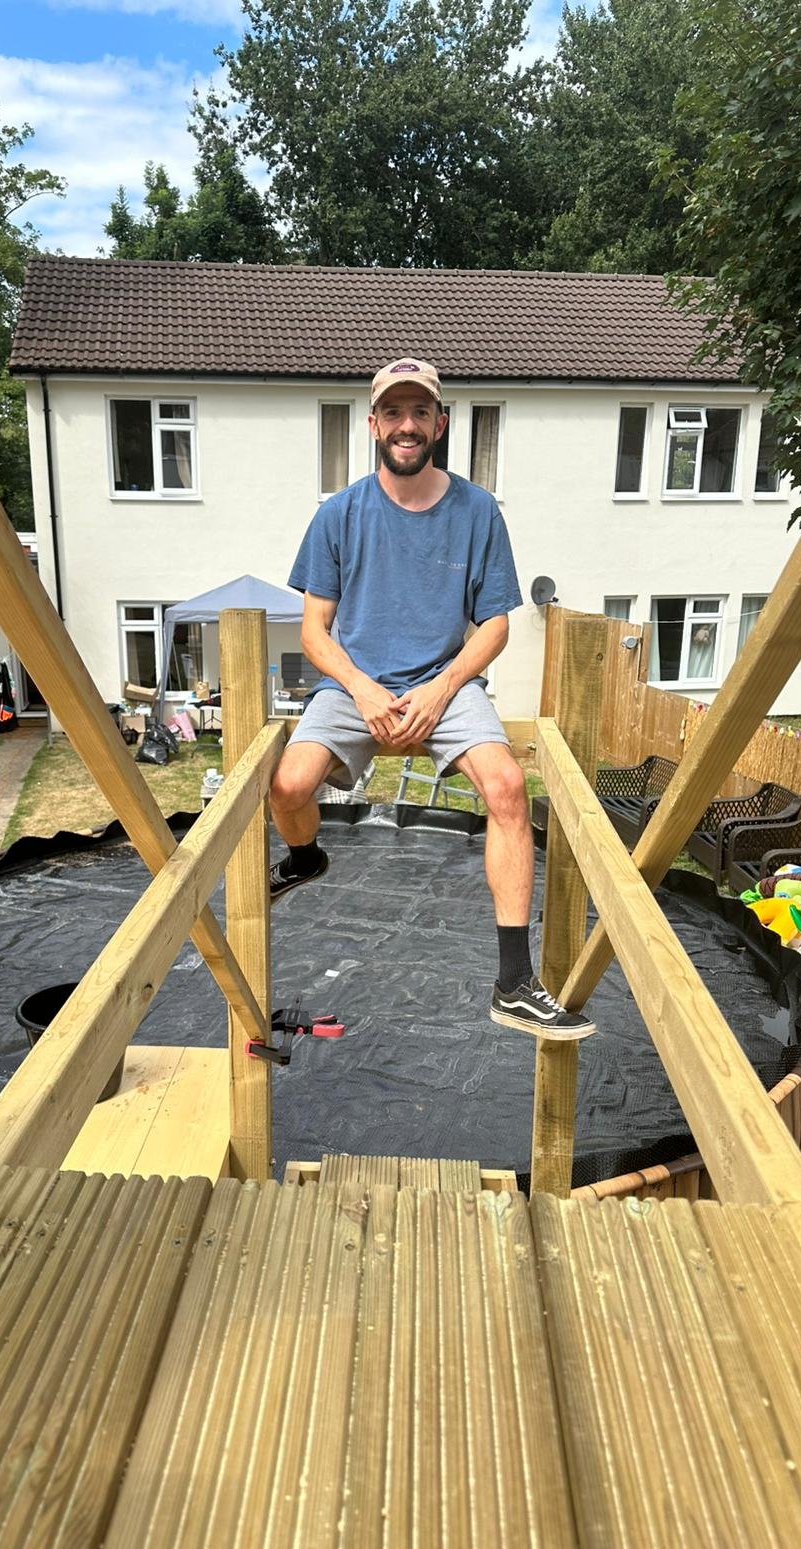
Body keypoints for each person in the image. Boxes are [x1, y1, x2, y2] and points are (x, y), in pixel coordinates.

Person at [268, 358, 595, 1042]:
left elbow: (497, 624)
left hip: (445, 684)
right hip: (354, 682)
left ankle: (513, 983)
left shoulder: (476, 511)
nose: (407, 425)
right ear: (374, 425)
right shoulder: (339, 514)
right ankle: (304, 858)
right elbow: (313, 630)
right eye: (393, 413)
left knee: (507, 787)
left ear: (440, 423)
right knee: (285, 787)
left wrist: (441, 687)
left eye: (420, 413)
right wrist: (361, 687)